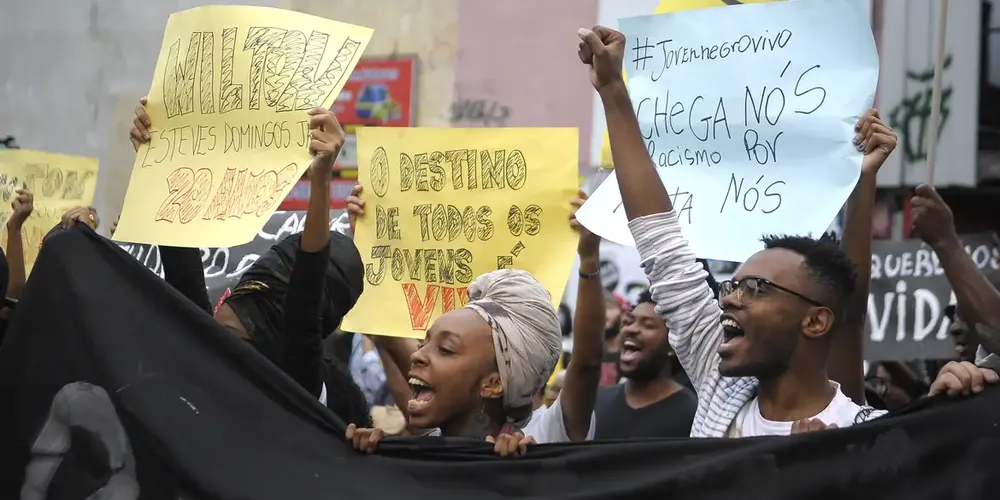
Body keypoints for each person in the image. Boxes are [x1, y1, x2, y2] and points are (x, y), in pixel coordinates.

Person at [578, 25, 894, 437]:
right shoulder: (720, 387)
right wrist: (611, 89)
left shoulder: (862, 435)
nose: (731, 301)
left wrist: (817, 472)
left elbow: (851, 309)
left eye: (756, 288)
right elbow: (660, 240)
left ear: (816, 321)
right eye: (733, 287)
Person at [127, 98, 371, 427]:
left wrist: (321, 178)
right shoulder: (201, 340)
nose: (219, 316)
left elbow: (307, 292)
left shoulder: (295, 383)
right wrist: (161, 153)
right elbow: (178, 249)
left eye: (238, 330)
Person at [343, 188, 602, 456]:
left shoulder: (547, 434)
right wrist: (366, 240)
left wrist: (589, 257)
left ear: (493, 384)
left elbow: (587, 364)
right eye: (425, 343)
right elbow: (384, 330)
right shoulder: (424, 449)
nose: (417, 356)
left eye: (446, 349)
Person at [595, 290, 697, 439]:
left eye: (647, 325)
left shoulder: (690, 414)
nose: (631, 329)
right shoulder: (598, 401)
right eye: (629, 322)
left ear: (672, 344)